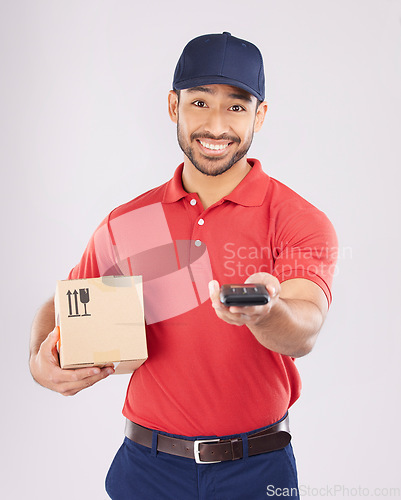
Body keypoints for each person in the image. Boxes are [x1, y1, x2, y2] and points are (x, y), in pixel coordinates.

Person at [29, 32, 338, 499]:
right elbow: (63, 303)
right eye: (199, 103)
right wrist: (40, 362)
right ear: (174, 106)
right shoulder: (129, 222)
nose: (216, 125)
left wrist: (266, 312)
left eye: (236, 106)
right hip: (146, 470)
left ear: (261, 115)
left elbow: (306, 327)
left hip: (256, 470)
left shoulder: (295, 219)